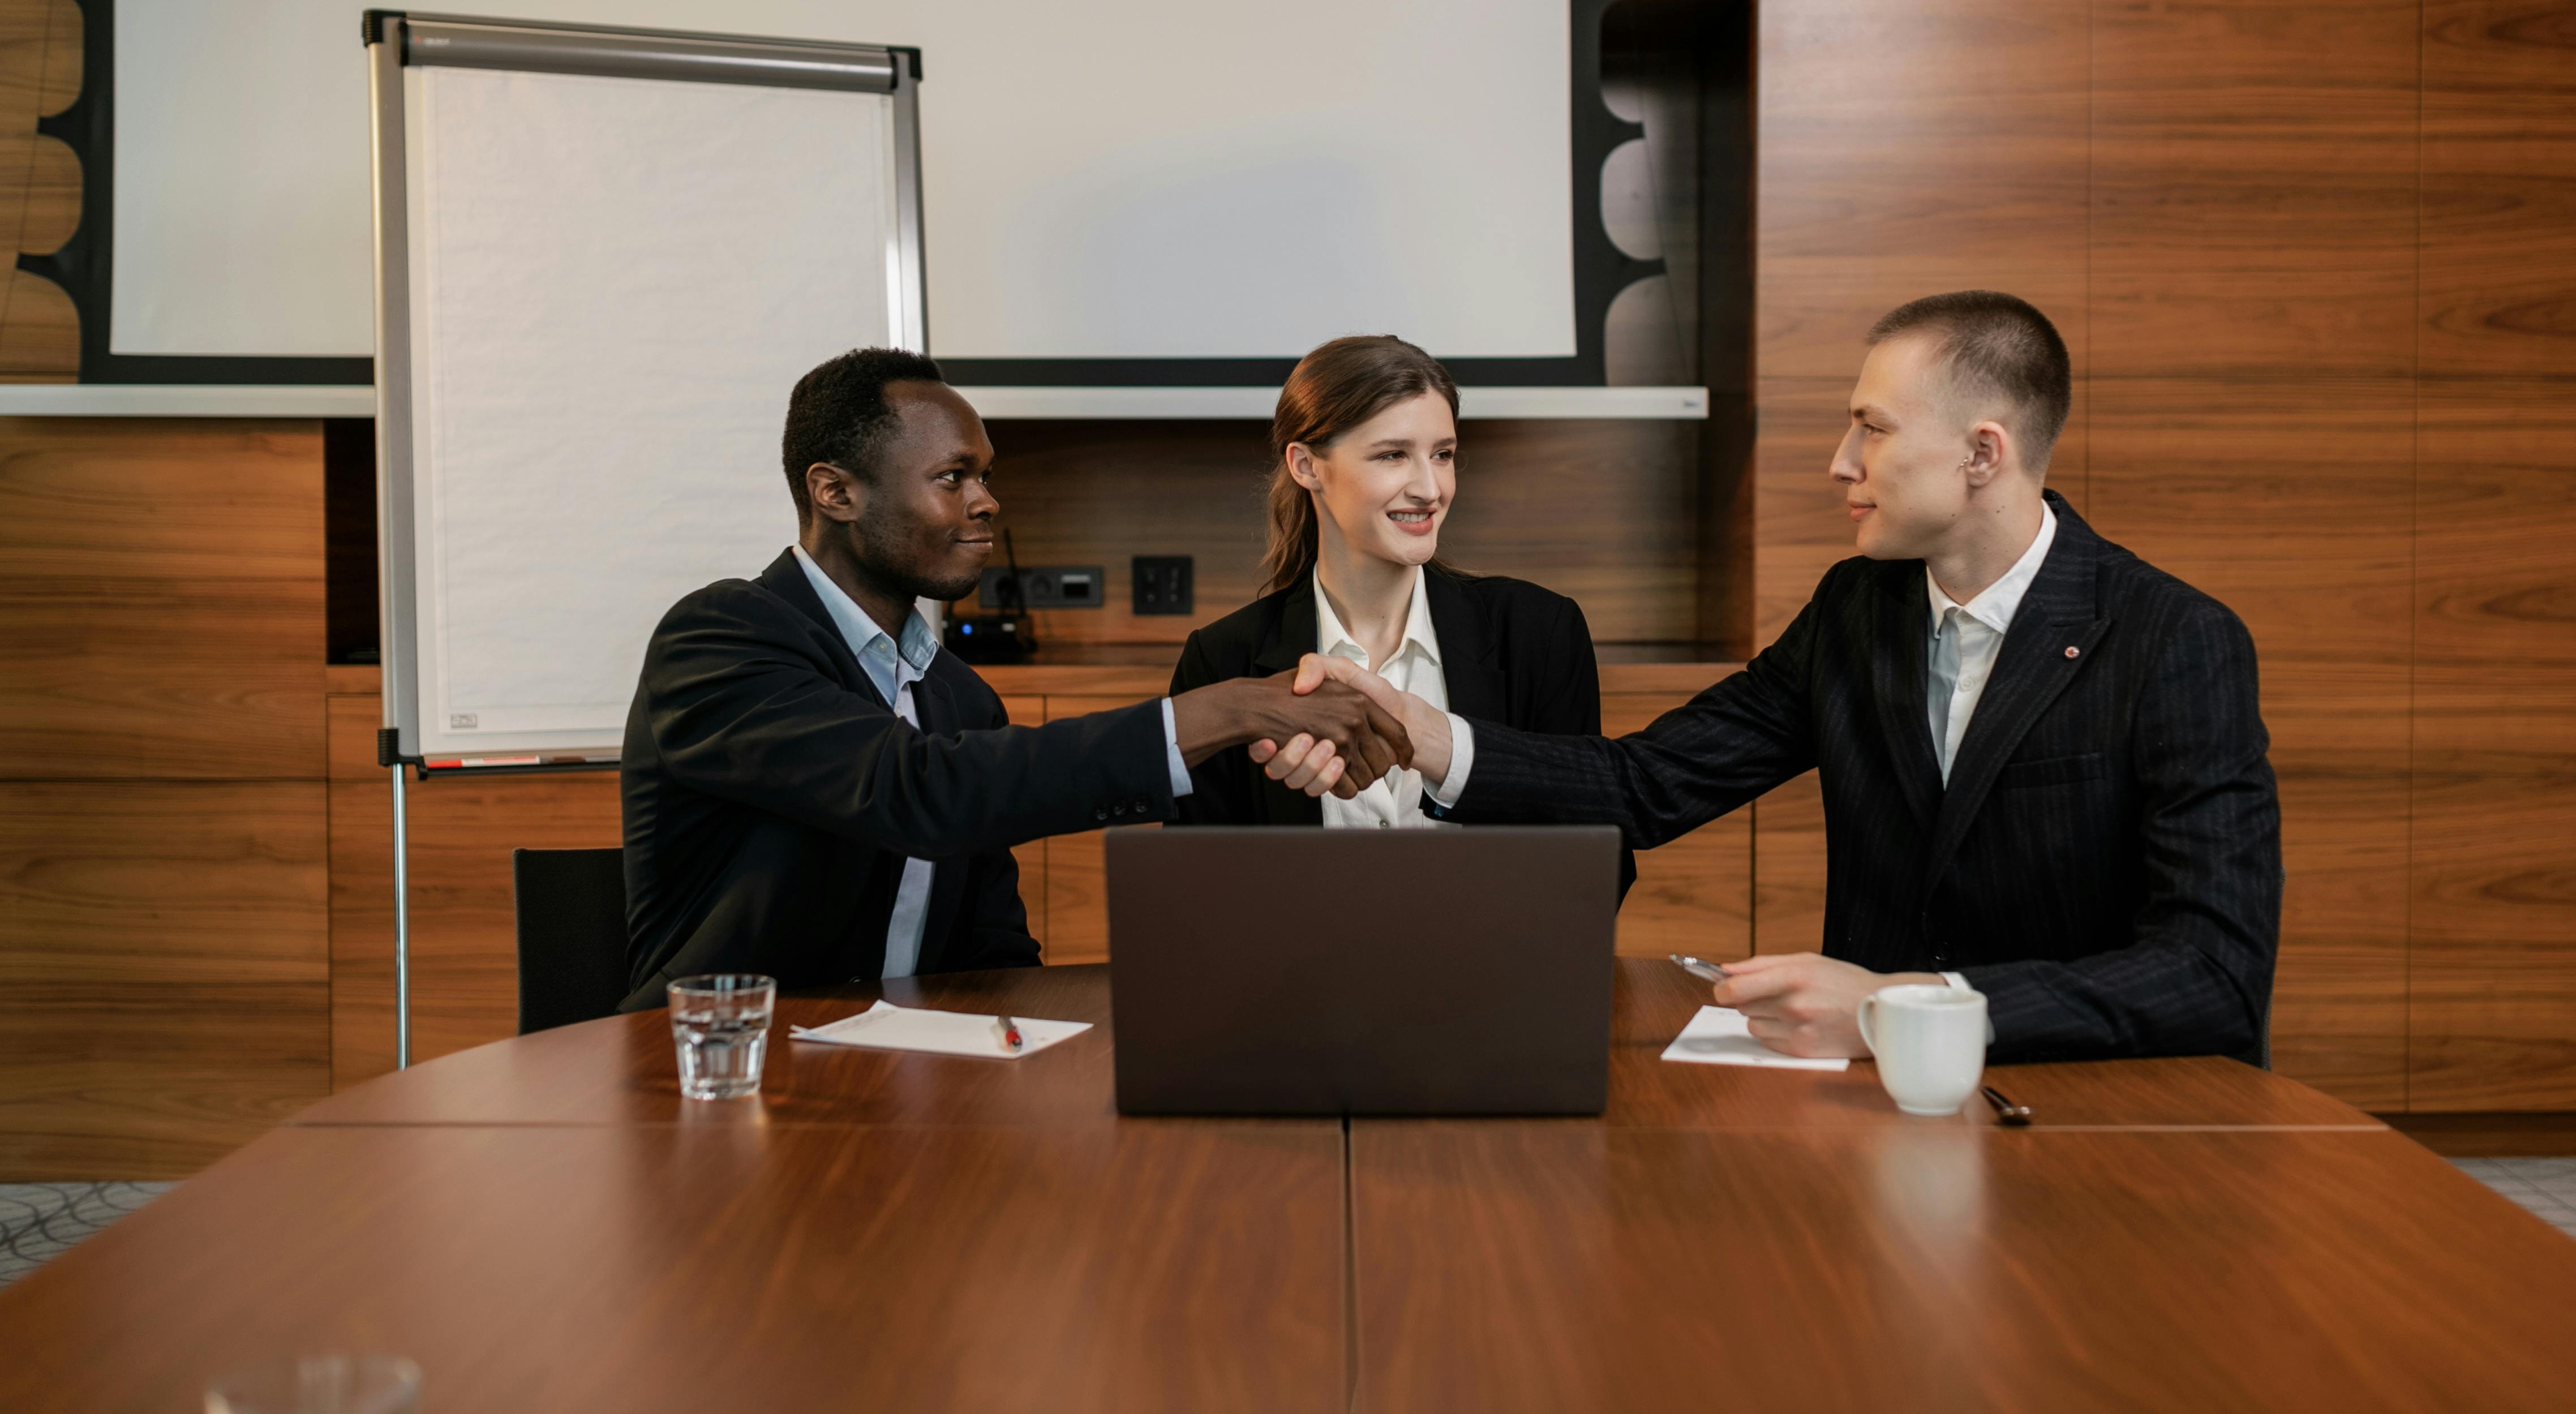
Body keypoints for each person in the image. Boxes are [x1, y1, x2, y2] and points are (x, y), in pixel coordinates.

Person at [1272, 293, 2281, 1064]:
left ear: (1983, 454)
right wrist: (1425, 732)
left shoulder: (2173, 639)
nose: (1841, 463)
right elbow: (1646, 785)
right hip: (1876, 1116)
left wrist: (1904, 1010)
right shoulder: (1858, 611)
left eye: (1872, 429)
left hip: (2108, 1116)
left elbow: (2213, 978)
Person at [618, 347, 1410, 1008]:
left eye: (985, 476)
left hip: (904, 1090)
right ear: (835, 492)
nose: (988, 501)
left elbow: (989, 947)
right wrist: (1226, 709)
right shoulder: (720, 638)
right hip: (719, 1078)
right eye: (953, 477)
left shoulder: (961, 698)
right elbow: (916, 793)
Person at [1165, 335, 1623, 888]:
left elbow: (1597, 864)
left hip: (1494, 974)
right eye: (1392, 455)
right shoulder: (1221, 658)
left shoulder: (1540, 632)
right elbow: (1198, 890)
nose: (1431, 488)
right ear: (1307, 466)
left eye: (1443, 455)